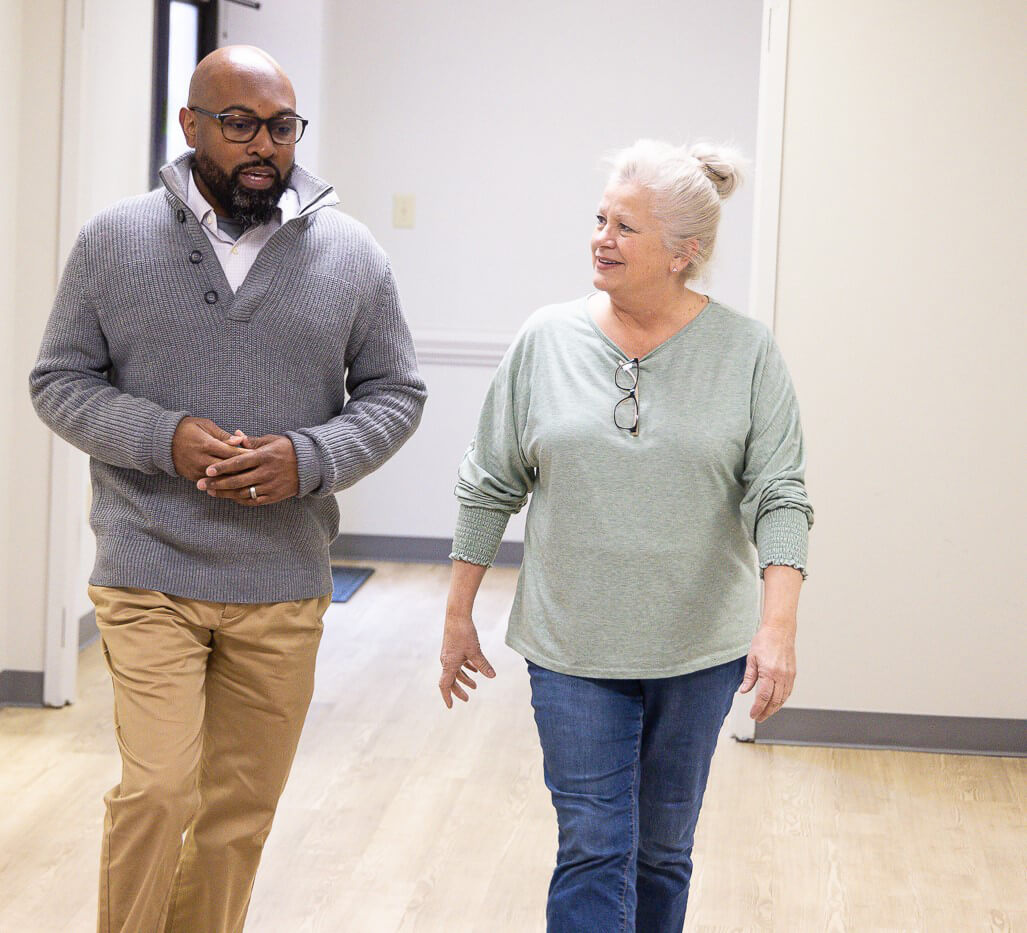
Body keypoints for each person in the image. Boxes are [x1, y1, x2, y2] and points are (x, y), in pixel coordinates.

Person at [30, 46, 426, 933]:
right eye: (240, 124)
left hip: (281, 578)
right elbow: (59, 380)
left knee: (235, 817)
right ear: (191, 126)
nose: (265, 147)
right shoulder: (113, 241)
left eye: (281, 127)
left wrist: (310, 456)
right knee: (159, 788)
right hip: (148, 564)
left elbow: (396, 392)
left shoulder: (353, 256)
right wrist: (161, 436)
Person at [438, 138, 813, 931]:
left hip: (698, 648)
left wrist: (776, 627)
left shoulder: (745, 352)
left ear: (686, 253)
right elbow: (488, 480)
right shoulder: (545, 339)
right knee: (593, 845)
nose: (600, 239)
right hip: (572, 645)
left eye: (625, 227)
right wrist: (456, 612)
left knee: (661, 851)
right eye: (600, 218)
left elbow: (778, 495)